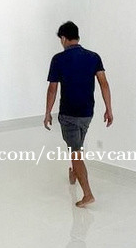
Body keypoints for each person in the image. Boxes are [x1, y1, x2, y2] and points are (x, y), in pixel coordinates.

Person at [44, 21, 113, 207]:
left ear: (64, 38)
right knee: (76, 146)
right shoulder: (93, 57)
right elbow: (104, 83)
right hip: (87, 113)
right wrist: (109, 108)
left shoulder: (58, 59)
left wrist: (47, 112)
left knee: (75, 153)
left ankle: (88, 194)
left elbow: (52, 89)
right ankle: (74, 173)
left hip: (68, 114)